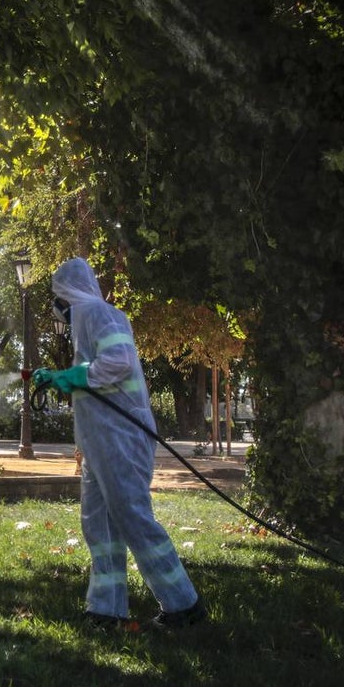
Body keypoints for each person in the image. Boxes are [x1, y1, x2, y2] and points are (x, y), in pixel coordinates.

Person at [32, 257, 206, 630]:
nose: (56, 306)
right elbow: (94, 374)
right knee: (99, 524)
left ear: (67, 292)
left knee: (132, 517)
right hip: (101, 443)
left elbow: (118, 362)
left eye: (57, 296)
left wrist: (73, 377)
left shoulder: (98, 313)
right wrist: (62, 377)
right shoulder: (86, 321)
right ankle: (106, 609)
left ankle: (183, 606)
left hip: (121, 438)